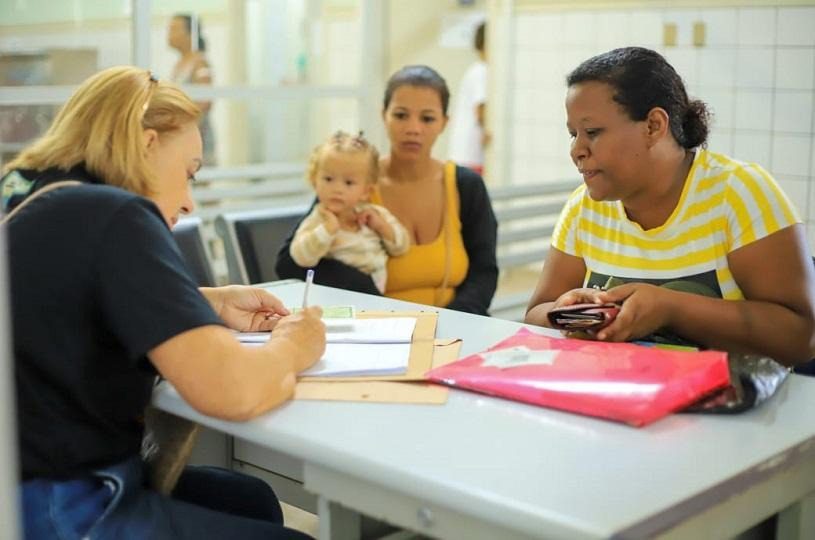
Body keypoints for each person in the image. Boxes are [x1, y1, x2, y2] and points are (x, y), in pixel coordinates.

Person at [1, 66, 324, 539]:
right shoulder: (115, 214)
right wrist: (295, 345)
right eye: (189, 173)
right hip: (67, 507)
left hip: (18, 489)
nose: (189, 201)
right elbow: (233, 390)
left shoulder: (28, 193)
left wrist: (203, 302)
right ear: (147, 146)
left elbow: (62, 303)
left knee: (249, 499)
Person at [525, 47, 815, 367]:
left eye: (592, 132)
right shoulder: (584, 208)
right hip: (619, 402)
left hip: (729, 411)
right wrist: (563, 312)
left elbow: (802, 338)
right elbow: (535, 314)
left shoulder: (740, 194)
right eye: (573, 134)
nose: (576, 150)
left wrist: (670, 308)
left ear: (653, 125)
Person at [276, 65, 498, 315]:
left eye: (427, 118)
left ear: (444, 123)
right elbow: (289, 264)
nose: (413, 128)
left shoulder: (465, 186)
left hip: (459, 326)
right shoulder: (353, 183)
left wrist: (449, 322)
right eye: (401, 115)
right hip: (378, 327)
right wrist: (370, 297)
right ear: (384, 115)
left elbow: (484, 272)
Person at [289, 130, 409, 294]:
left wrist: (381, 226)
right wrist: (327, 230)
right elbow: (301, 257)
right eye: (328, 179)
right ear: (314, 181)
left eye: (349, 182)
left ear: (366, 191)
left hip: (377, 297)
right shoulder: (319, 220)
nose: (337, 189)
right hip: (336, 299)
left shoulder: (374, 214)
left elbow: (401, 246)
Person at [168, 13, 215, 165]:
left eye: (174, 29)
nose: (169, 34)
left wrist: (188, 133)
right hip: (180, 135)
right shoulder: (180, 63)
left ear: (190, 34)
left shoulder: (200, 63)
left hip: (196, 136)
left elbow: (205, 101)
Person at [448, 21, 489, 175]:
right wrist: (491, 132)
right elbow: (481, 110)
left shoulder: (476, 69)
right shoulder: (483, 71)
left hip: (464, 154)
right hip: (470, 155)